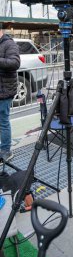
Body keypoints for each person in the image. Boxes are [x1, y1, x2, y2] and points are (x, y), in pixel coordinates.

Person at [0, 24, 20, 162]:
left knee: (3, 122)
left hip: (5, 90)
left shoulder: (9, 44)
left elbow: (14, 63)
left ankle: (6, 150)